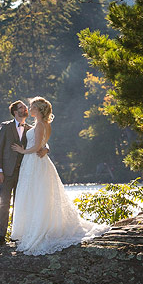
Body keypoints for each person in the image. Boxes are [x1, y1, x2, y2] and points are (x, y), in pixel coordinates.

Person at [9, 96, 106, 255]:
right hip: (36, 162)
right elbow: (43, 144)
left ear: (39, 110)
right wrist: (45, 148)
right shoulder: (43, 124)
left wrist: (22, 151)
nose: (30, 109)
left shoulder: (40, 125)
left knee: (36, 194)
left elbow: (35, 147)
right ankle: (32, 228)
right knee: (36, 194)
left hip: (34, 161)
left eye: (32, 107)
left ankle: (38, 229)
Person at [0, 100, 48, 248]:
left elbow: (41, 141)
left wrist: (46, 149)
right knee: (4, 203)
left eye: (25, 107)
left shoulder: (31, 128)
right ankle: (1, 236)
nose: (25, 109)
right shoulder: (6, 127)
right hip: (6, 172)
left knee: (20, 204)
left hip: (24, 172)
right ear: (15, 112)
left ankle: (16, 234)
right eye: (22, 107)